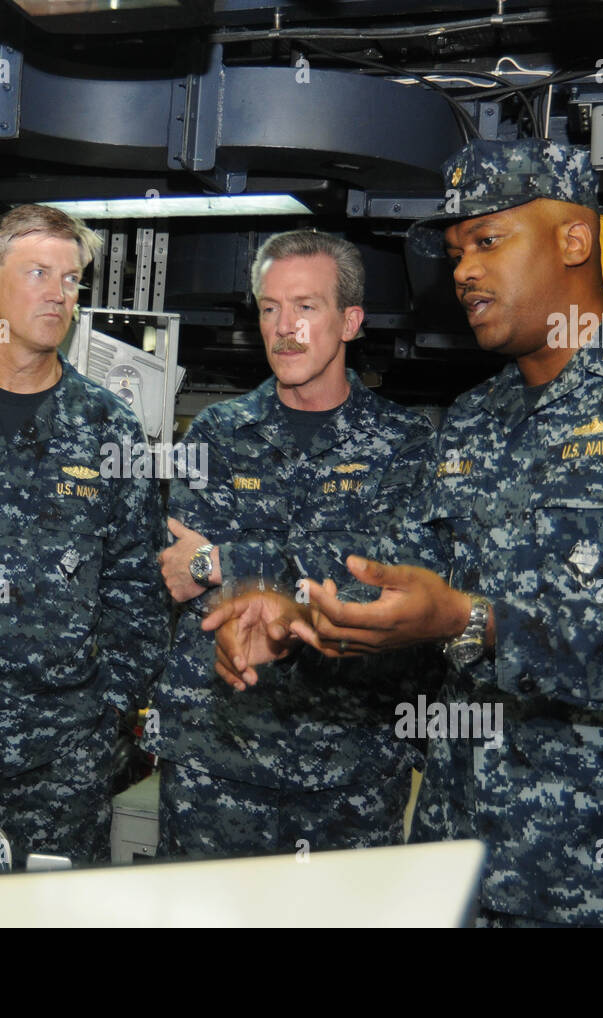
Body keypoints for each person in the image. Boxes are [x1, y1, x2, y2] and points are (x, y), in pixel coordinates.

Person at [207, 139, 603, 926]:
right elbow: (394, 580)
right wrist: (299, 617)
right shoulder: (476, 418)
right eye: (454, 253)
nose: (464, 272)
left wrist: (474, 622)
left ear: (574, 241)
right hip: (461, 869)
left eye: (488, 241)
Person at [145, 230, 435, 858]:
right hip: (217, 761)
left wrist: (232, 560)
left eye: (306, 307)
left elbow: (390, 587)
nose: (285, 328)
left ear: (349, 321)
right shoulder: (218, 432)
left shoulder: (405, 444)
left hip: (350, 766)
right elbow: (181, 570)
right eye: (271, 308)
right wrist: (212, 564)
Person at [0, 204, 165, 865]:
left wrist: (104, 718)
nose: (58, 294)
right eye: (38, 272)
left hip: (59, 761)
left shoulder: (110, 429)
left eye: (71, 280)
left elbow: (139, 588)